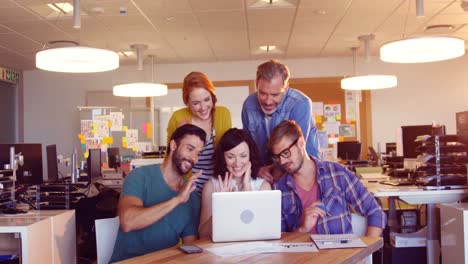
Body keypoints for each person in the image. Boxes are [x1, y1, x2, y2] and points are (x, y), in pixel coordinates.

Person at [269, 120, 385, 236]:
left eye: (285, 153)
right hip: (303, 254)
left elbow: (375, 212)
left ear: (301, 143)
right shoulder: (279, 189)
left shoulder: (338, 174)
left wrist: (366, 252)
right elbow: (279, 241)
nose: (282, 161)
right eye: (277, 156)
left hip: (341, 253)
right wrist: (303, 228)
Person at [110, 124, 206, 262]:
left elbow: (190, 248)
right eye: (189, 149)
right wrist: (177, 200)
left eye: (198, 153)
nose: (194, 159)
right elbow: (128, 222)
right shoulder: (140, 176)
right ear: (173, 145)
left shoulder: (192, 196)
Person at [241, 60, 319, 184]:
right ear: (257, 84)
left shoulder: (300, 104)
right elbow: (248, 146)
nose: (268, 101)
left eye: (275, 95)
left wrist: (275, 173)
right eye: (262, 93)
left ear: (286, 88)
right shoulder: (248, 105)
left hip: (302, 174)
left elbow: (294, 151)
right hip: (266, 176)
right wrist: (257, 169)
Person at [167, 71, 232, 195]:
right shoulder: (178, 117)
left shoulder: (223, 114)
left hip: (218, 186)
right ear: (187, 103)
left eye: (207, 99)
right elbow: (170, 159)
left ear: (212, 96)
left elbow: (228, 151)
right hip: (188, 188)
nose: (203, 107)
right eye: (196, 103)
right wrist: (180, 136)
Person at [198, 128, 271, 238]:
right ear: (223, 157)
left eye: (243, 156)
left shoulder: (263, 187)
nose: (237, 163)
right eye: (230, 157)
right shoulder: (211, 186)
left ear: (250, 155)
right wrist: (222, 205)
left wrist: (247, 188)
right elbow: (203, 234)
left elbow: (264, 232)